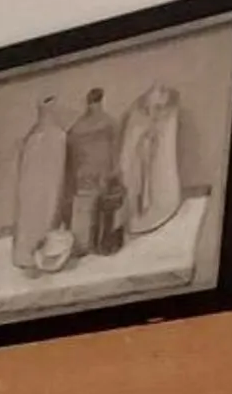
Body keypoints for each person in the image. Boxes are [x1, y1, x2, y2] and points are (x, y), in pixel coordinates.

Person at [67, 85, 126, 258]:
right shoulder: (108, 124)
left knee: (103, 215)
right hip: (90, 184)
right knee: (92, 217)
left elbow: (116, 154)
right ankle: (95, 244)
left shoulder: (78, 128)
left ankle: (98, 244)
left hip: (93, 183)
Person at [121, 82, 186, 235]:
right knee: (137, 184)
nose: (154, 111)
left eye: (158, 107)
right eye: (151, 107)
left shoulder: (169, 116)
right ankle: (140, 214)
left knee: (157, 182)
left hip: (155, 164)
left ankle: (156, 210)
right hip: (139, 162)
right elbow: (130, 143)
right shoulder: (136, 116)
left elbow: (166, 143)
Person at [12, 92, 68, 270]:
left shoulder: (58, 135)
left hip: (50, 187)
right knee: (31, 211)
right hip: (32, 188)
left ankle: (44, 254)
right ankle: (27, 254)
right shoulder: (36, 136)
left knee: (48, 209)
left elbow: (58, 174)